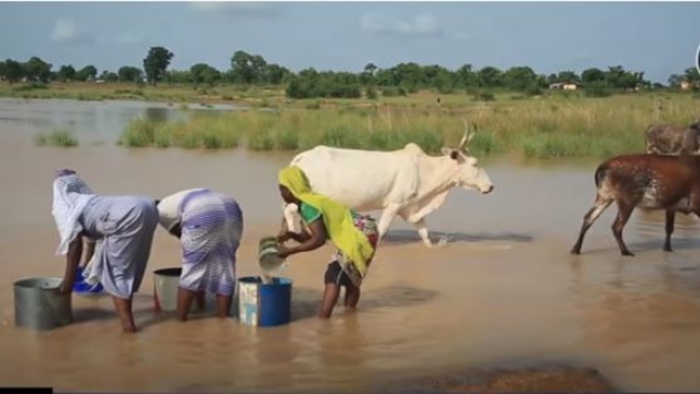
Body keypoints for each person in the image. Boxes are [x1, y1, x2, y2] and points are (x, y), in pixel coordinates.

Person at [51, 169, 158, 333]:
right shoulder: (90, 201)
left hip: (126, 214)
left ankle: (129, 328)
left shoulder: (64, 206)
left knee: (117, 272)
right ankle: (128, 318)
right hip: (147, 206)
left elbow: (74, 244)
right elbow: (91, 239)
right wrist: (86, 266)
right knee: (132, 263)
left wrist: (68, 283)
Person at [276, 166, 379, 318]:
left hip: (359, 234)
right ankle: (350, 316)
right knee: (351, 278)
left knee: (333, 274)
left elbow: (318, 240)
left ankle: (323, 320)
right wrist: (292, 235)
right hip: (366, 230)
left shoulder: (308, 206)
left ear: (291, 190)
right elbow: (311, 236)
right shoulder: (309, 201)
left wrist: (290, 251)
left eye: (282, 190)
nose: (281, 194)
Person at [156, 188, 243, 321]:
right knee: (226, 265)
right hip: (231, 208)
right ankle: (223, 318)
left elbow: (180, 234)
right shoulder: (175, 198)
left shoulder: (160, 212)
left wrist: (197, 254)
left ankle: (181, 320)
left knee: (193, 269)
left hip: (201, 210)